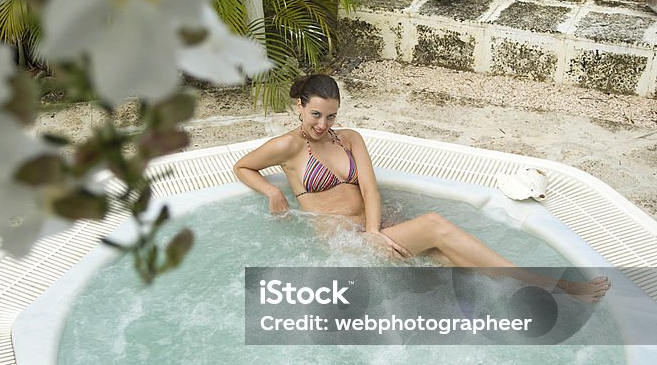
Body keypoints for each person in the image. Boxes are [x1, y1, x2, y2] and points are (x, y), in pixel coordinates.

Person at [233, 74, 610, 301]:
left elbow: (371, 191)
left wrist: (376, 231)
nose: (323, 123)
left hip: (374, 232)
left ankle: (518, 302)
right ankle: (551, 287)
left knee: (453, 263)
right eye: (315, 114)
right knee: (434, 225)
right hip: (344, 243)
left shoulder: (350, 139)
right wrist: (273, 191)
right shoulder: (289, 146)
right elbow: (243, 166)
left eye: (331, 115)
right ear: (300, 106)